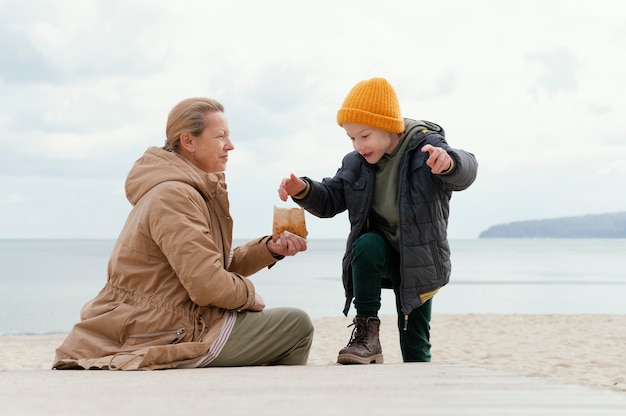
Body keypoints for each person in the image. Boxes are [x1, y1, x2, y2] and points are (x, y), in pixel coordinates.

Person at [53, 97, 313, 370]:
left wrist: (268, 249)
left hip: (165, 321)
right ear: (188, 141)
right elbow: (207, 284)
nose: (230, 146)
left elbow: (214, 265)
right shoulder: (174, 195)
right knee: (297, 325)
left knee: (279, 330)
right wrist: (248, 295)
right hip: (162, 330)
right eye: (220, 136)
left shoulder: (187, 190)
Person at [278, 78, 478, 364]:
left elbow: (468, 168)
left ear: (389, 127)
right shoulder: (356, 163)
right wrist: (304, 190)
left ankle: (419, 392)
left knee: (415, 343)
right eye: (352, 138)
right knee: (367, 244)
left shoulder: (428, 147)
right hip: (380, 254)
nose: (358, 145)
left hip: (420, 258)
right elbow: (332, 198)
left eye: (365, 136)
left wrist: (449, 163)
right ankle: (366, 334)